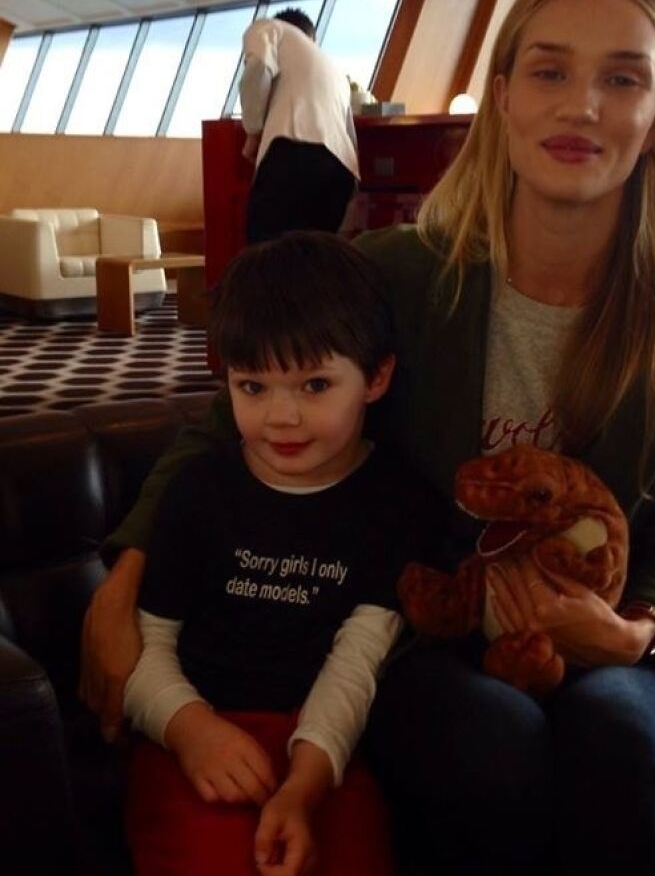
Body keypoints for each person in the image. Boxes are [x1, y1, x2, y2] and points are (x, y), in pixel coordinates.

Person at [81, 0, 655, 876]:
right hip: (431, 624)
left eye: (622, 79)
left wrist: (635, 633)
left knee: (622, 740)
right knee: (486, 738)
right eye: (550, 71)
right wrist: (122, 583)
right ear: (502, 95)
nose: (581, 106)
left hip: (602, 638)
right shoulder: (395, 279)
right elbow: (228, 426)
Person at [122, 232, 445, 876]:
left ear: (376, 377)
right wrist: (190, 729)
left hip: (326, 747)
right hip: (188, 732)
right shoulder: (198, 490)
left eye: (315, 384)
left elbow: (358, 661)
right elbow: (144, 644)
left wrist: (305, 782)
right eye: (253, 387)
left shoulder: (398, 502)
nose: (281, 417)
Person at [240, 9, 359, 242]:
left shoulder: (268, 27)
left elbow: (258, 68)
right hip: (341, 173)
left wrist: (252, 131)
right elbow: (349, 135)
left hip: (295, 154)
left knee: (267, 250)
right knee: (313, 255)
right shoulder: (335, 70)